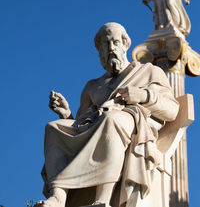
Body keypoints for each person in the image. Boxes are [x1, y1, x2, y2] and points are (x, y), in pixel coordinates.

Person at [35, 22, 179, 207]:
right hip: (98, 124)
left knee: (110, 120)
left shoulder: (148, 72)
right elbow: (80, 131)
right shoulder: (92, 86)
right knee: (53, 128)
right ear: (99, 51)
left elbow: (172, 110)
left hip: (126, 121)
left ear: (126, 44)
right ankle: (58, 197)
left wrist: (143, 95)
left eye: (115, 42)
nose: (111, 48)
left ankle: (102, 199)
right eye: (106, 44)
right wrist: (67, 114)